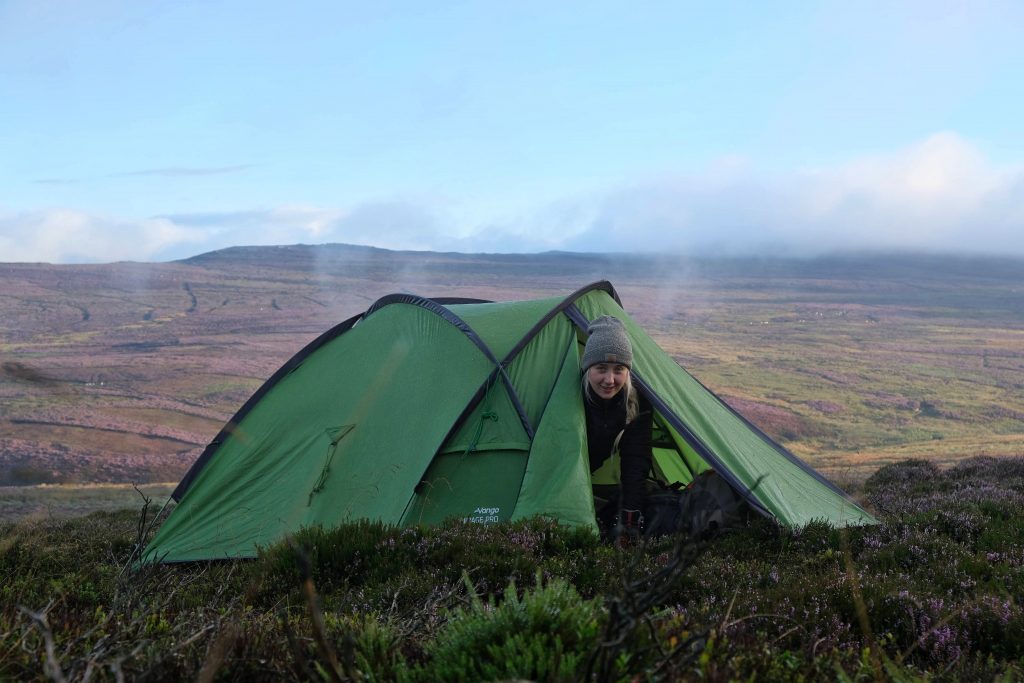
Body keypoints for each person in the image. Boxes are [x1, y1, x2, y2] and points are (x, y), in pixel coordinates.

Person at [581, 315, 653, 539]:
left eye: (619, 369)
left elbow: (636, 460)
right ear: (587, 368)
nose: (609, 380)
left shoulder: (636, 401)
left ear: (628, 371)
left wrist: (630, 518)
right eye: (601, 368)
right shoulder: (568, 395)